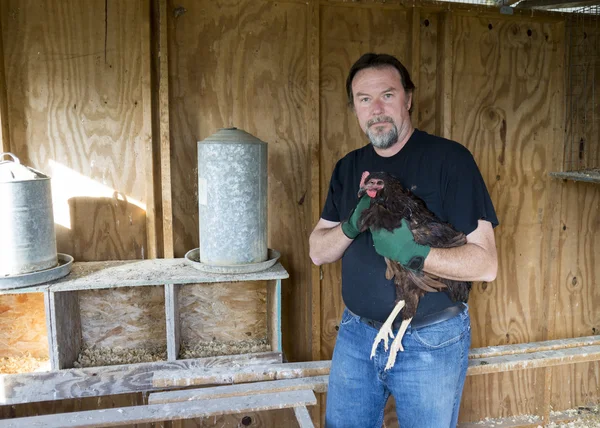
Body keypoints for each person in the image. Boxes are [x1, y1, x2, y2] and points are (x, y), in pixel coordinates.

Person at [309, 53, 499, 428]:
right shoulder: (349, 168)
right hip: (357, 336)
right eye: (364, 99)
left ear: (408, 99)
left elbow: (486, 265)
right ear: (355, 108)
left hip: (431, 341)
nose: (376, 109)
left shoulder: (451, 161)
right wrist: (349, 227)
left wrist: (415, 253)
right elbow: (317, 252)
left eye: (387, 95)